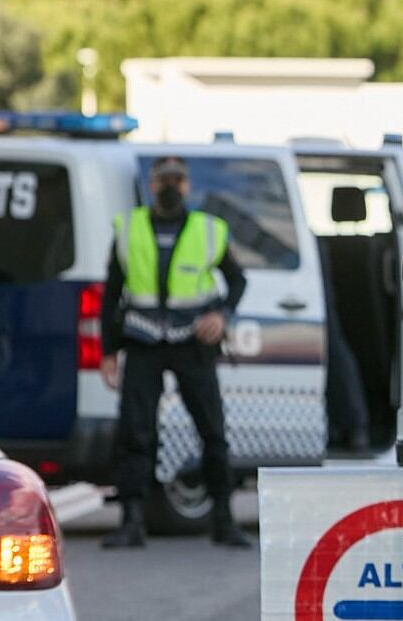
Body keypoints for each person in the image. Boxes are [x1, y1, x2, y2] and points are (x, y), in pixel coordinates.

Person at [99, 156, 249, 549]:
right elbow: (111, 293)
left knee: (213, 432)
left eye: (177, 180)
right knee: (135, 432)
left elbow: (237, 280)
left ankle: (223, 520)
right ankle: (131, 521)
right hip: (143, 341)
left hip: (191, 343)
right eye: (163, 179)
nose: (170, 186)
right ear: (151, 184)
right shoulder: (129, 228)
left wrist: (222, 315)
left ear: (187, 186)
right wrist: (109, 351)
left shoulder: (209, 230)